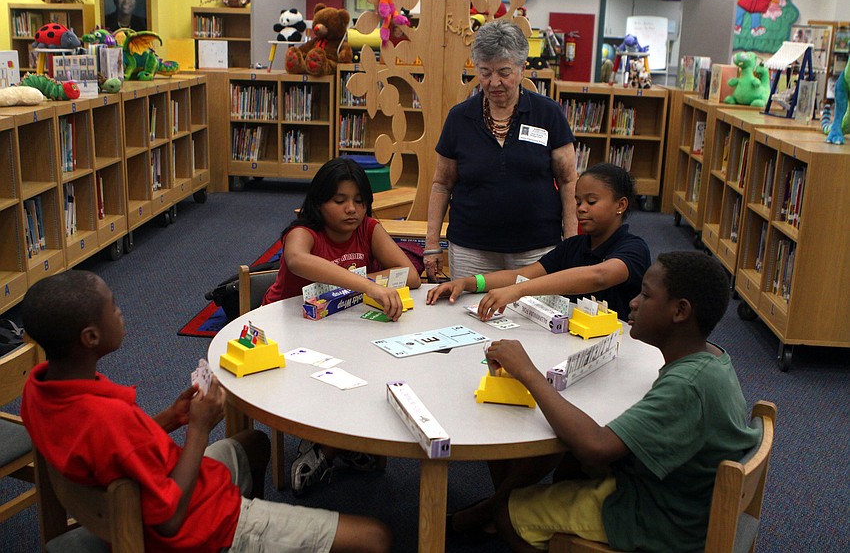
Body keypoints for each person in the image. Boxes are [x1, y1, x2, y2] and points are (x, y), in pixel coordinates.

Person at [20, 270, 392, 553]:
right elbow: (168, 520)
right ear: (91, 338)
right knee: (376, 537)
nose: (121, 312)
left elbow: (114, 449)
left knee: (254, 443)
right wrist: (198, 429)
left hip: (164, 488)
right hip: (193, 524)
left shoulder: (40, 390)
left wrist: (171, 416)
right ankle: (243, 536)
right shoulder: (106, 420)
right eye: (113, 308)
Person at [453, 251, 760, 551]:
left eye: (646, 296)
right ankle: (492, 509)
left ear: (679, 311)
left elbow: (597, 448)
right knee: (572, 456)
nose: (634, 302)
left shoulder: (687, 385)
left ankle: (498, 512)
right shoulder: (712, 357)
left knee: (509, 514)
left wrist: (528, 372)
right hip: (686, 493)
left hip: (667, 520)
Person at [262, 156, 421, 495]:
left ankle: (335, 444)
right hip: (286, 329)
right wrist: (367, 284)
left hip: (339, 325)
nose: (352, 209)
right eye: (340, 201)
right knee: (334, 375)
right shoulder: (303, 232)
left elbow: (410, 274)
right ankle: (333, 443)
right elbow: (297, 259)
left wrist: (363, 281)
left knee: (372, 367)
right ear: (319, 203)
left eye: (360, 201)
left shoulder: (368, 228)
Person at [424, 20, 579, 282]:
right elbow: (441, 184)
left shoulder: (548, 114)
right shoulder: (459, 118)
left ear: (522, 69)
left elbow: (568, 180)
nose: (494, 82)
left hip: (537, 248)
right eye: (485, 72)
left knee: (533, 316)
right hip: (471, 247)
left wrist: (573, 243)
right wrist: (431, 245)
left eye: (504, 72)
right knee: (469, 317)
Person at [426, 163, 650, 320]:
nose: (581, 208)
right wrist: (468, 283)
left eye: (591, 201)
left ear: (620, 205)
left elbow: (598, 276)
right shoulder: (573, 246)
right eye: (578, 201)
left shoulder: (634, 249)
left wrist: (518, 291)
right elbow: (523, 273)